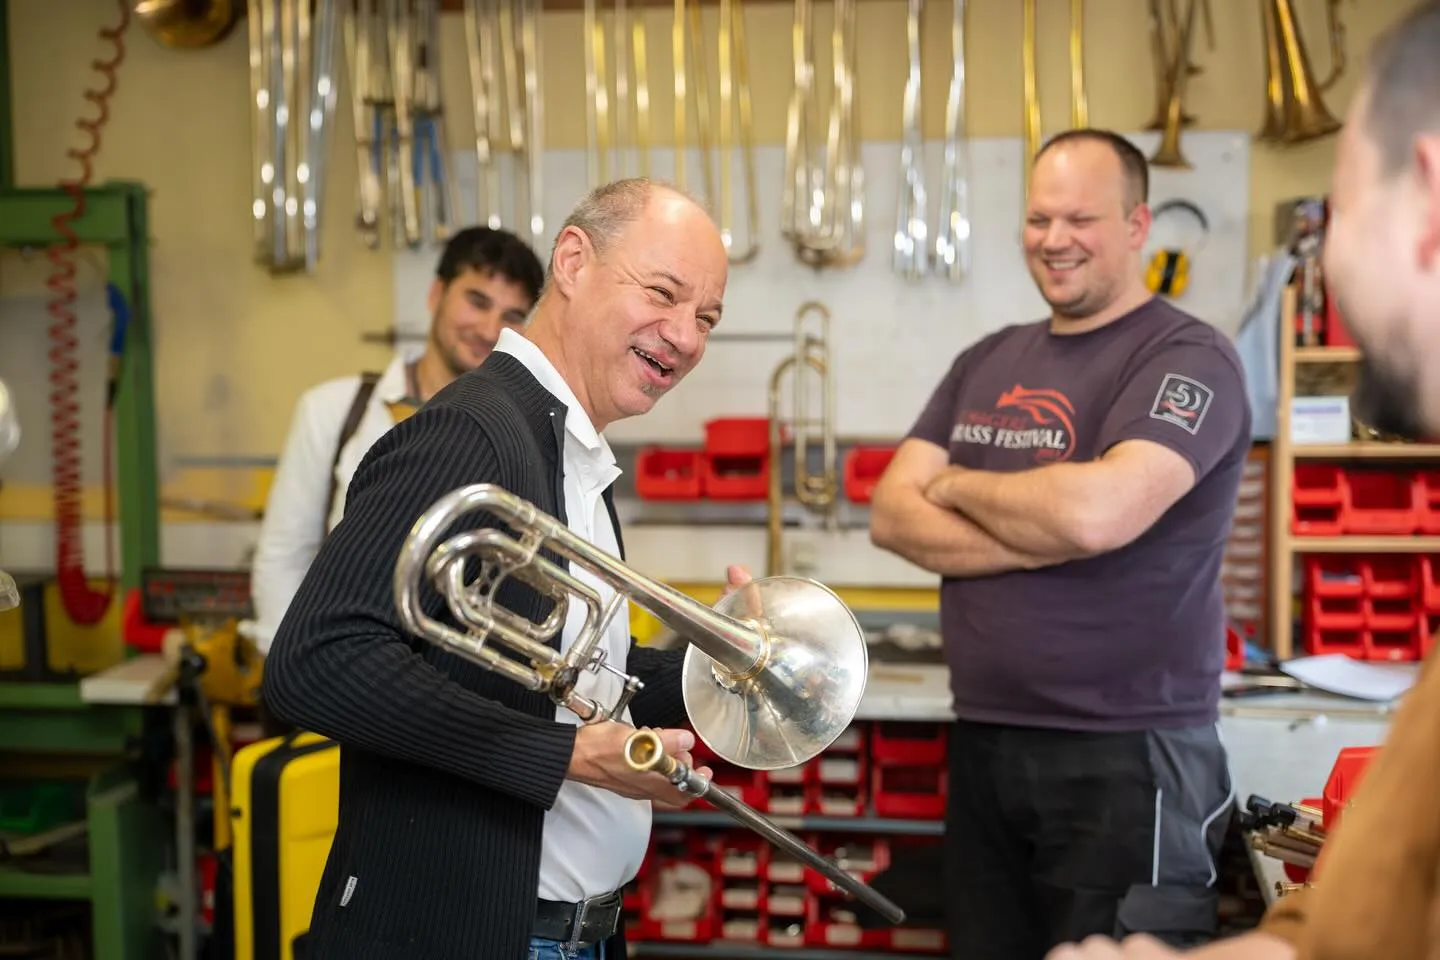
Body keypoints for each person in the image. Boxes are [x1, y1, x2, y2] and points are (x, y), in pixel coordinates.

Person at [1044, 4, 1440, 959]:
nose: (1329, 263)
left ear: (1429, 201)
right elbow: (1370, 920)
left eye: (1340, 213)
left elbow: (1101, 512)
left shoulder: (1191, 357)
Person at [262, 178, 736, 960]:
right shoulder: (470, 433)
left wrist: (718, 668)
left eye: (706, 318)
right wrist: (570, 757)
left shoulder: (568, 449)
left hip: (567, 934)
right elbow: (317, 661)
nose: (685, 335)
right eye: (663, 292)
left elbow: (560, 676)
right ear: (575, 262)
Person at [869, 128, 1252, 959]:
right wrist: (1052, 522)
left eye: (1081, 217)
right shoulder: (989, 359)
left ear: (1138, 223)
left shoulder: (1186, 359)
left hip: (1131, 756)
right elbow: (892, 514)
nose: (1054, 240)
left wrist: (960, 485)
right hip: (986, 742)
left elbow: (1096, 515)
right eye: (1040, 218)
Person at [249, 226, 545, 653]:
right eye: (476, 301)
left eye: (512, 316)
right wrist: (293, 670)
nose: (488, 327)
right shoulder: (333, 411)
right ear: (436, 294)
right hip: (341, 676)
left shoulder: (526, 435)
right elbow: (283, 556)